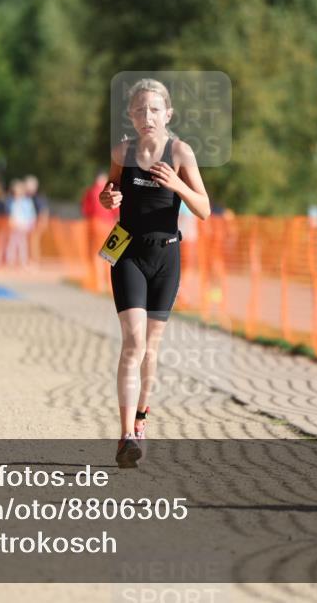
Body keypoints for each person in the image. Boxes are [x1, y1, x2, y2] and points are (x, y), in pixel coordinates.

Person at [100, 78, 210, 467]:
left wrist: (177, 183)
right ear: (130, 115)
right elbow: (109, 192)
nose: (147, 116)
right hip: (127, 252)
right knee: (132, 343)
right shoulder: (122, 151)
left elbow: (204, 208)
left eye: (154, 109)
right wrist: (108, 196)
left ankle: (141, 418)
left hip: (166, 257)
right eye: (140, 109)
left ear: (168, 114)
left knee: (151, 349)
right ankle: (126, 434)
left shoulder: (180, 151)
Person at [5, 179, 36, 268]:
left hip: (23, 225)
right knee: (12, 242)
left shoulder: (27, 202)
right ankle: (10, 261)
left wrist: (30, 224)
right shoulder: (12, 201)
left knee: (22, 243)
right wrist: (12, 221)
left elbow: (31, 214)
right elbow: (11, 213)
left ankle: (23, 261)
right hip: (15, 225)